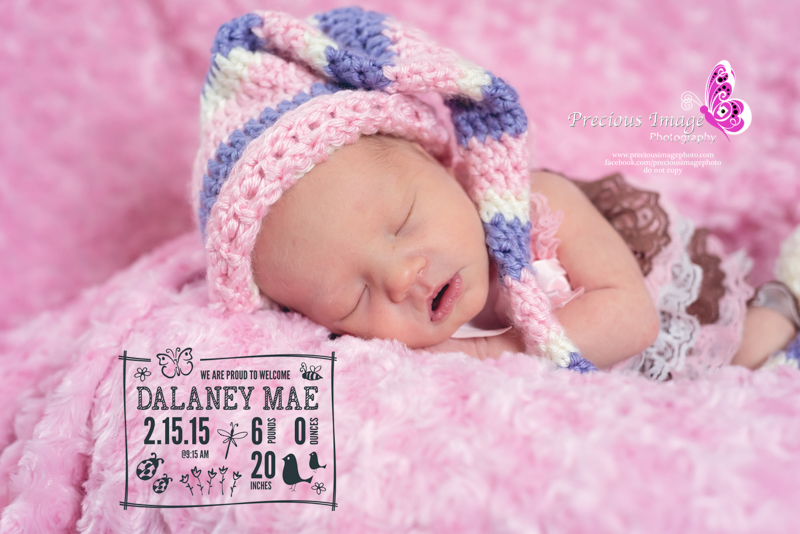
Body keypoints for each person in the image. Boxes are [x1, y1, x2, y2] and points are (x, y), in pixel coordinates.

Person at [195, 7, 800, 379]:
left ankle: (783, 304)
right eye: (351, 300)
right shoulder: (394, 358)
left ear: (445, 168)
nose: (401, 276)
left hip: (665, 308)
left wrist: (494, 355)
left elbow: (632, 320)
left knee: (745, 351)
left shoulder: (538, 204)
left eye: (404, 221)